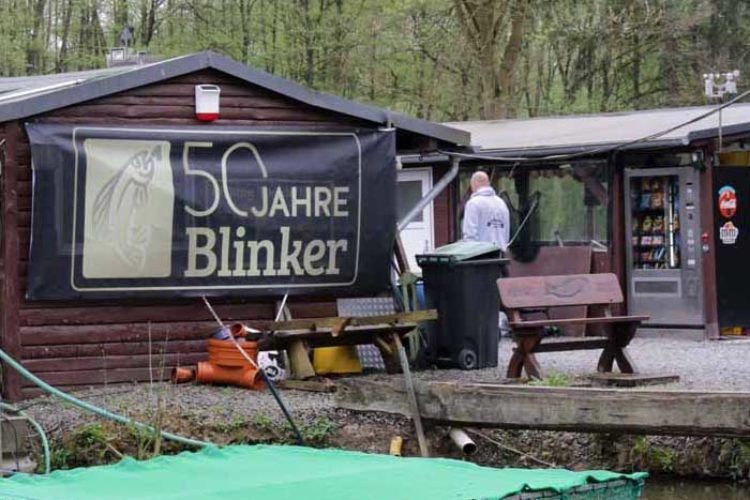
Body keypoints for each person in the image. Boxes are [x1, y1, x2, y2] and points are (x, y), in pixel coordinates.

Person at [462, 171, 510, 250]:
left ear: (474, 183)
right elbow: (506, 234)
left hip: (481, 256)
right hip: (500, 255)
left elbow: (470, 235)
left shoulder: (473, 203)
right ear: (487, 183)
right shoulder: (502, 203)